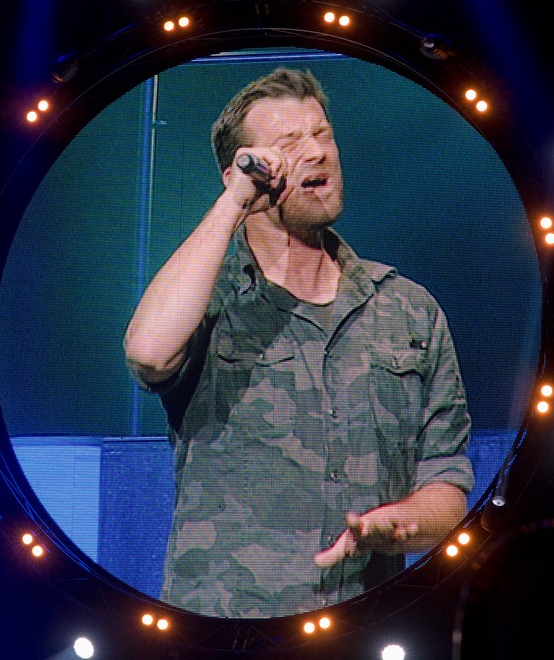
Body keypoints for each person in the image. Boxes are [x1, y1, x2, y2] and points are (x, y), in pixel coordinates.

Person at [124, 68, 474, 618]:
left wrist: (395, 525)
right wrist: (235, 202)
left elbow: (446, 486)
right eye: (289, 143)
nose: (316, 152)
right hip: (226, 629)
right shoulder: (209, 300)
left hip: (365, 626)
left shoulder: (407, 309)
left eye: (323, 134)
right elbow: (148, 353)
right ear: (239, 172)